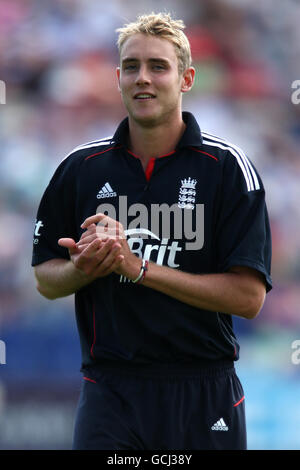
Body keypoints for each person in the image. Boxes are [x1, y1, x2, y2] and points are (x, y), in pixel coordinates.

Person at [32, 12, 272, 450]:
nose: (143, 78)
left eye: (158, 66)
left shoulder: (228, 169)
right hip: (110, 390)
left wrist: (137, 267)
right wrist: (86, 267)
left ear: (186, 78)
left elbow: (249, 298)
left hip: (203, 389)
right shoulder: (79, 169)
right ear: (117, 77)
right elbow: (46, 279)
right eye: (131, 66)